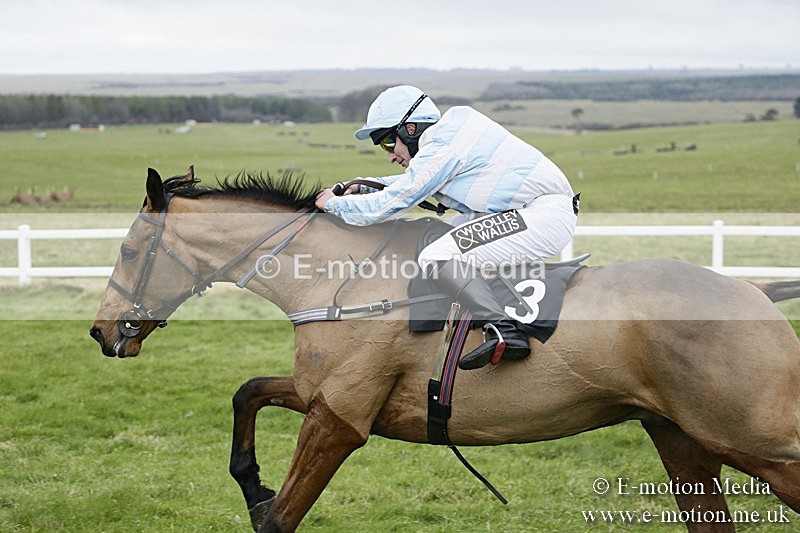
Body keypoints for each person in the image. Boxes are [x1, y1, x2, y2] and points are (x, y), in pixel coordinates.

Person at [315, 85, 578, 370]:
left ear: (410, 130)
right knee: (434, 237)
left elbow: (393, 202)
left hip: (540, 214)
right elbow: (416, 180)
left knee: (437, 256)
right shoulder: (447, 134)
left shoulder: (441, 148)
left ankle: (505, 331)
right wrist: (365, 183)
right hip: (526, 210)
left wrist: (332, 204)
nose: (390, 155)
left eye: (388, 143)